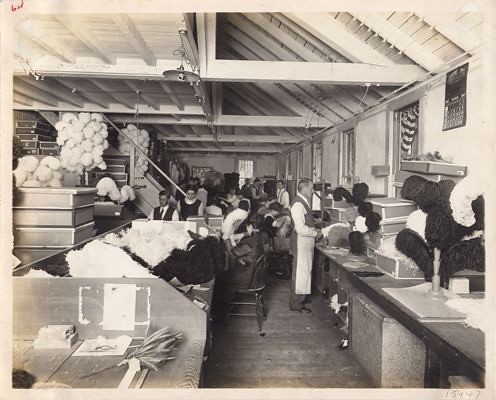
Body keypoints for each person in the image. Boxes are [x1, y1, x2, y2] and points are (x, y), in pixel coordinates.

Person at [289, 179, 321, 313]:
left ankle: (302, 297)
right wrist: (316, 233)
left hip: (306, 241)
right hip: (301, 241)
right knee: (300, 273)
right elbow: (300, 229)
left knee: (305, 271)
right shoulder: (298, 204)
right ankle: (296, 303)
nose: (313, 191)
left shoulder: (303, 202)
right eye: (311, 188)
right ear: (304, 188)